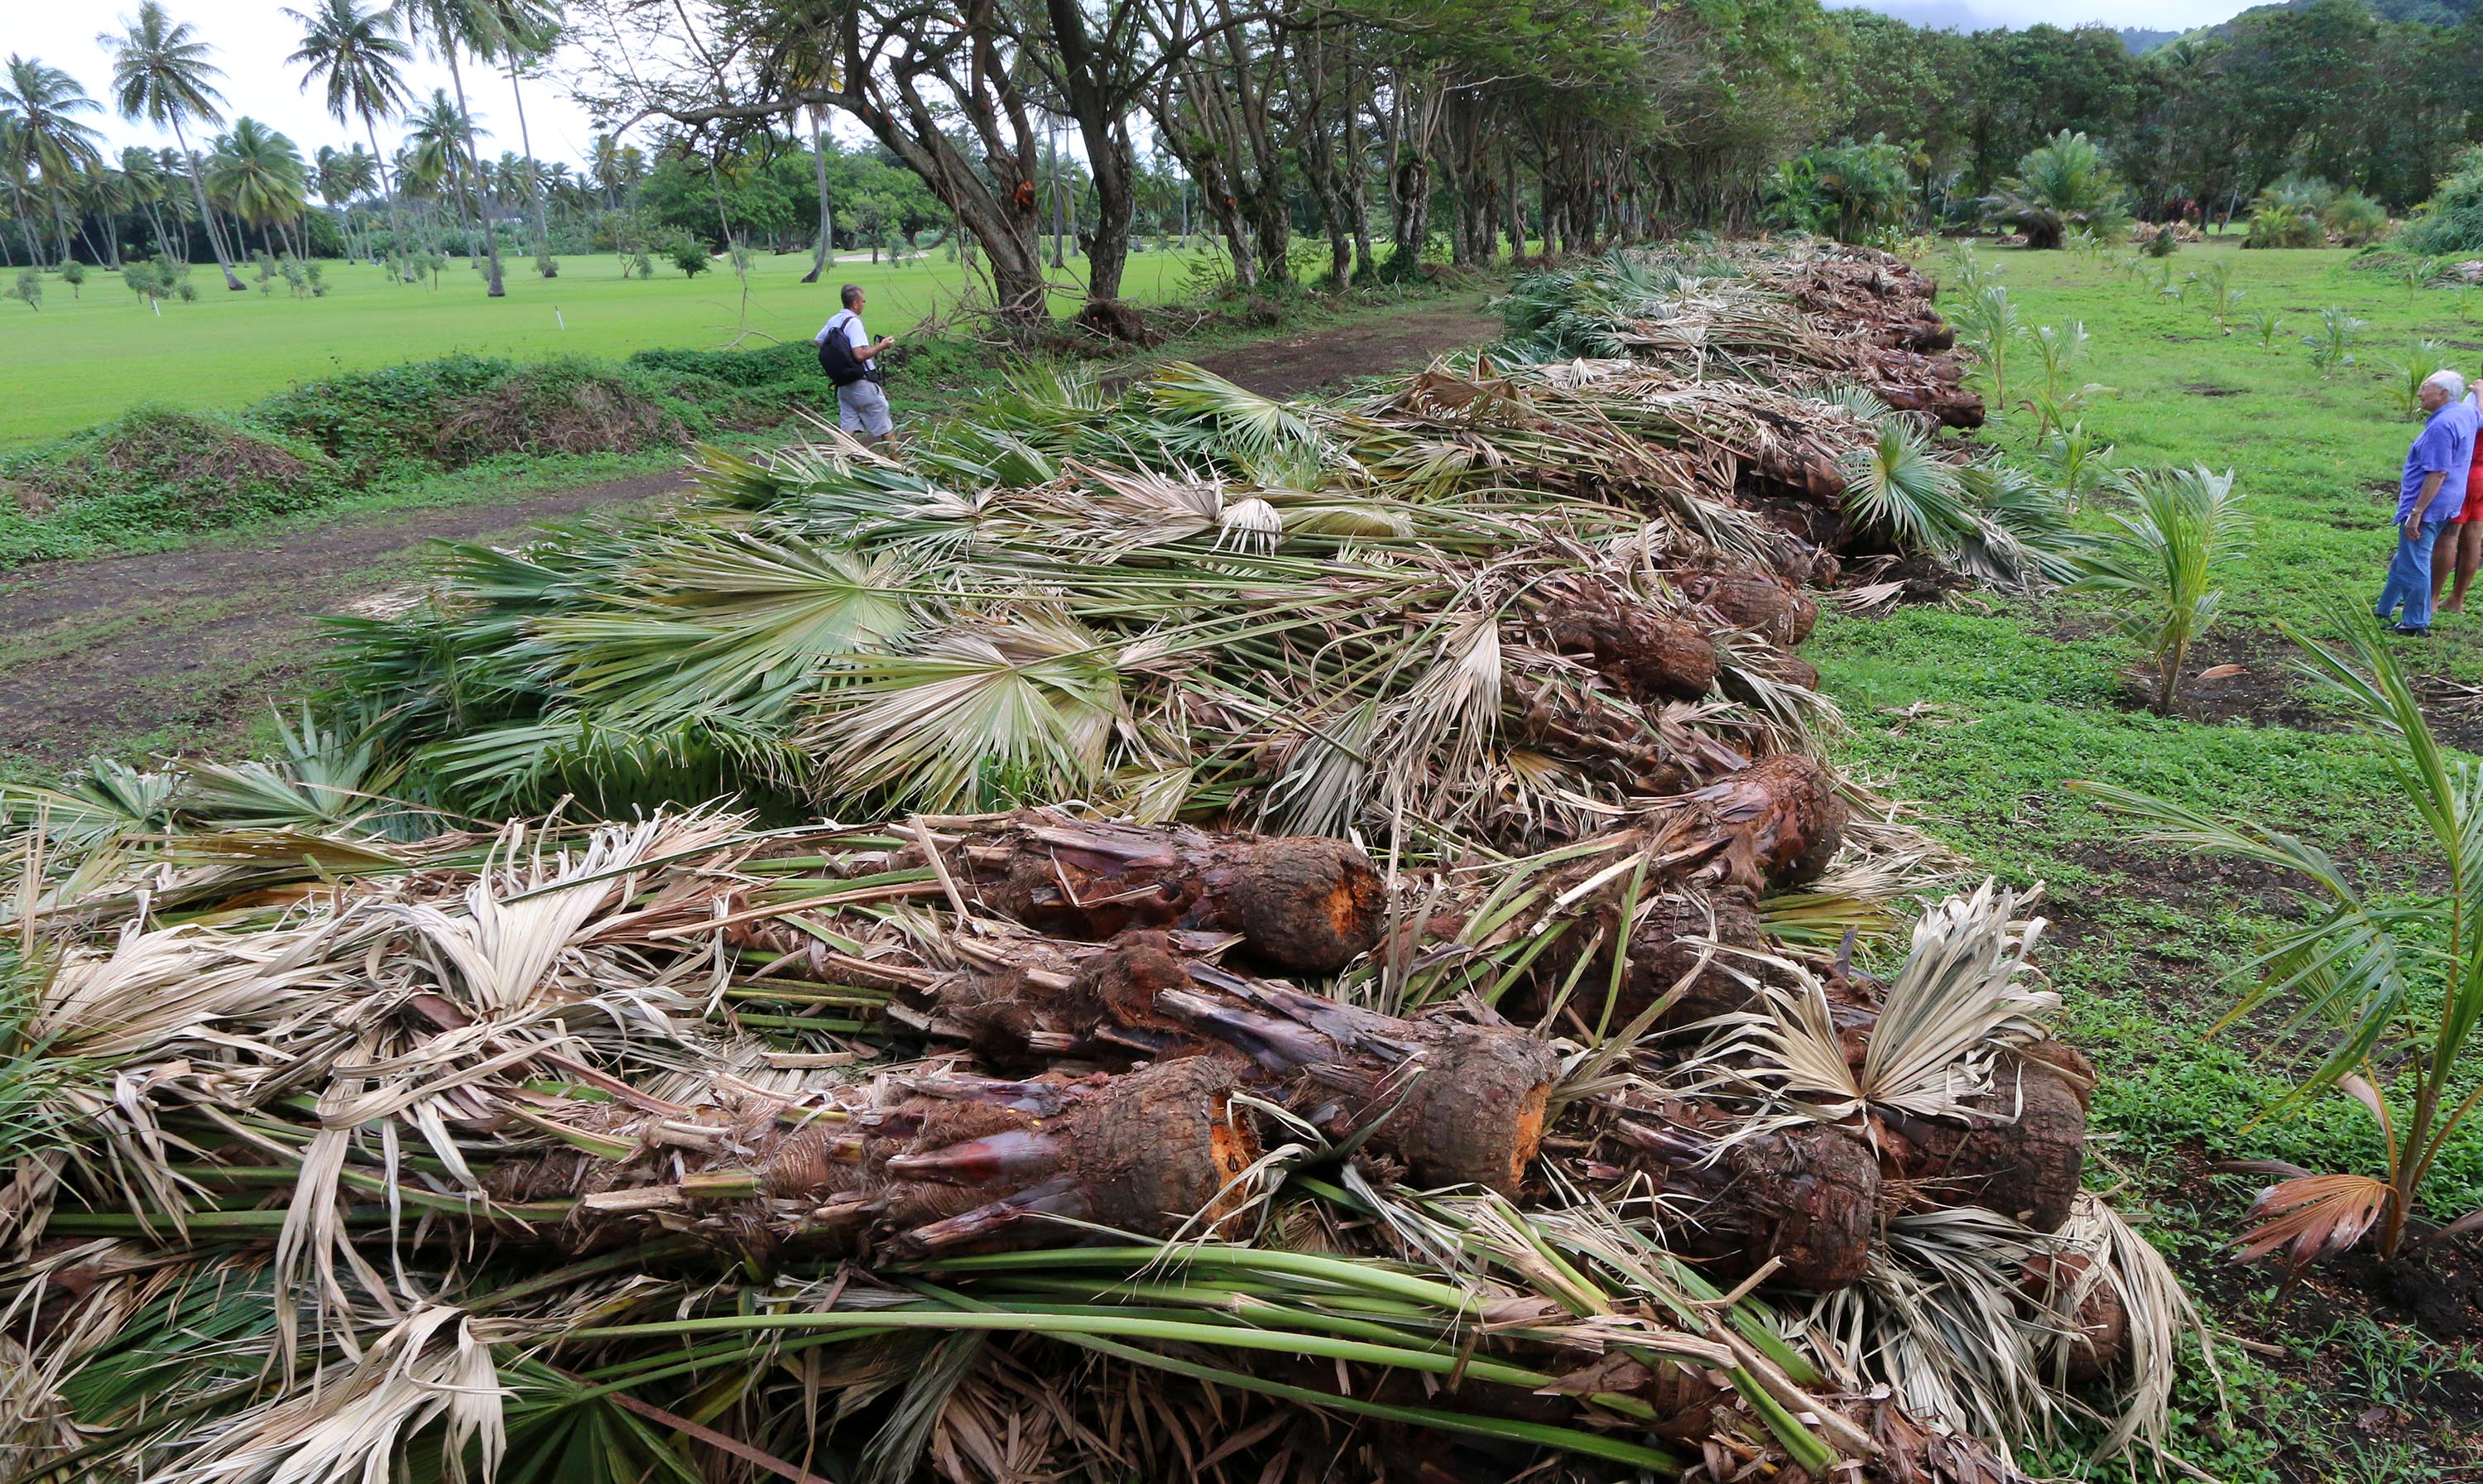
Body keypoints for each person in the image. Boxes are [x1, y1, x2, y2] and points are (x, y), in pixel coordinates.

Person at [2377, 369, 2481, 636]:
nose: (2420, 393)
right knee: (2406, 557)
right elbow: (2479, 416)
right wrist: (2480, 395)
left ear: (2443, 394)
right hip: (2451, 501)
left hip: (2430, 504)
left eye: (2426, 389)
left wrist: (2416, 512)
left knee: (2415, 561)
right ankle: (2385, 607)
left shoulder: (2442, 426)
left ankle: (2415, 622)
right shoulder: (2465, 413)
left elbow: (2437, 473)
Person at [814, 284, 899, 446]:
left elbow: (819, 341)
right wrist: (882, 346)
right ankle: (900, 468)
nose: (864, 304)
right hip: (862, 385)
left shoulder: (835, 320)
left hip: (843, 387)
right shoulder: (854, 322)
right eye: (864, 301)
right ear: (856, 303)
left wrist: (841, 357)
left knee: (847, 431)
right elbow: (859, 355)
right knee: (885, 427)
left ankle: (837, 467)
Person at [2436, 382, 2483, 615]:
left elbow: (2477, 422)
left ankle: (2432, 600)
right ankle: (2457, 599)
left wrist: (2480, 395)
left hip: (2470, 470)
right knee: (2473, 535)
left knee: (2449, 535)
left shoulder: (2478, 397)